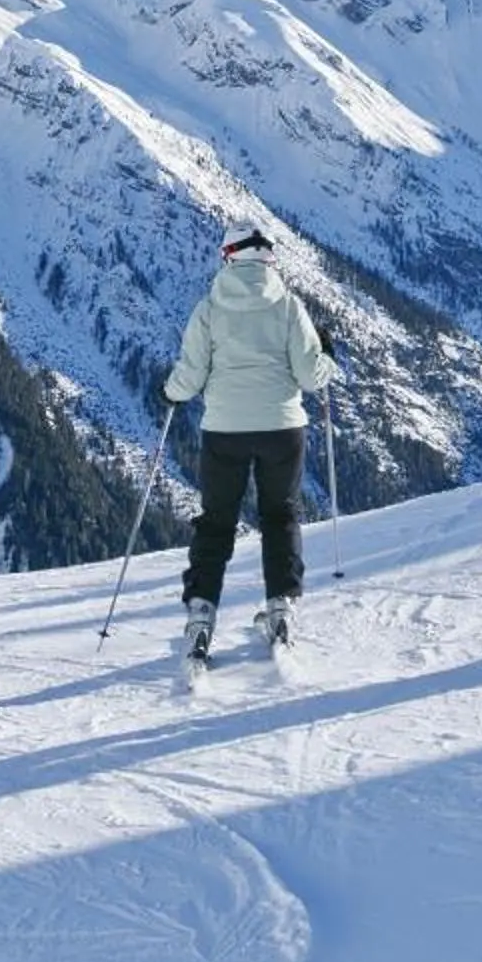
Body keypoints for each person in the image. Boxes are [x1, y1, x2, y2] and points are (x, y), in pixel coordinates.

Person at [165, 225, 336, 659]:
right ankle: (281, 607)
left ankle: (201, 614)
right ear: (267, 259)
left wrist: (169, 392)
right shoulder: (289, 307)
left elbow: (190, 377)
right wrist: (327, 358)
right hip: (282, 429)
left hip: (225, 430)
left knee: (216, 522)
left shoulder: (209, 309)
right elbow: (309, 377)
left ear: (229, 256)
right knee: (281, 516)